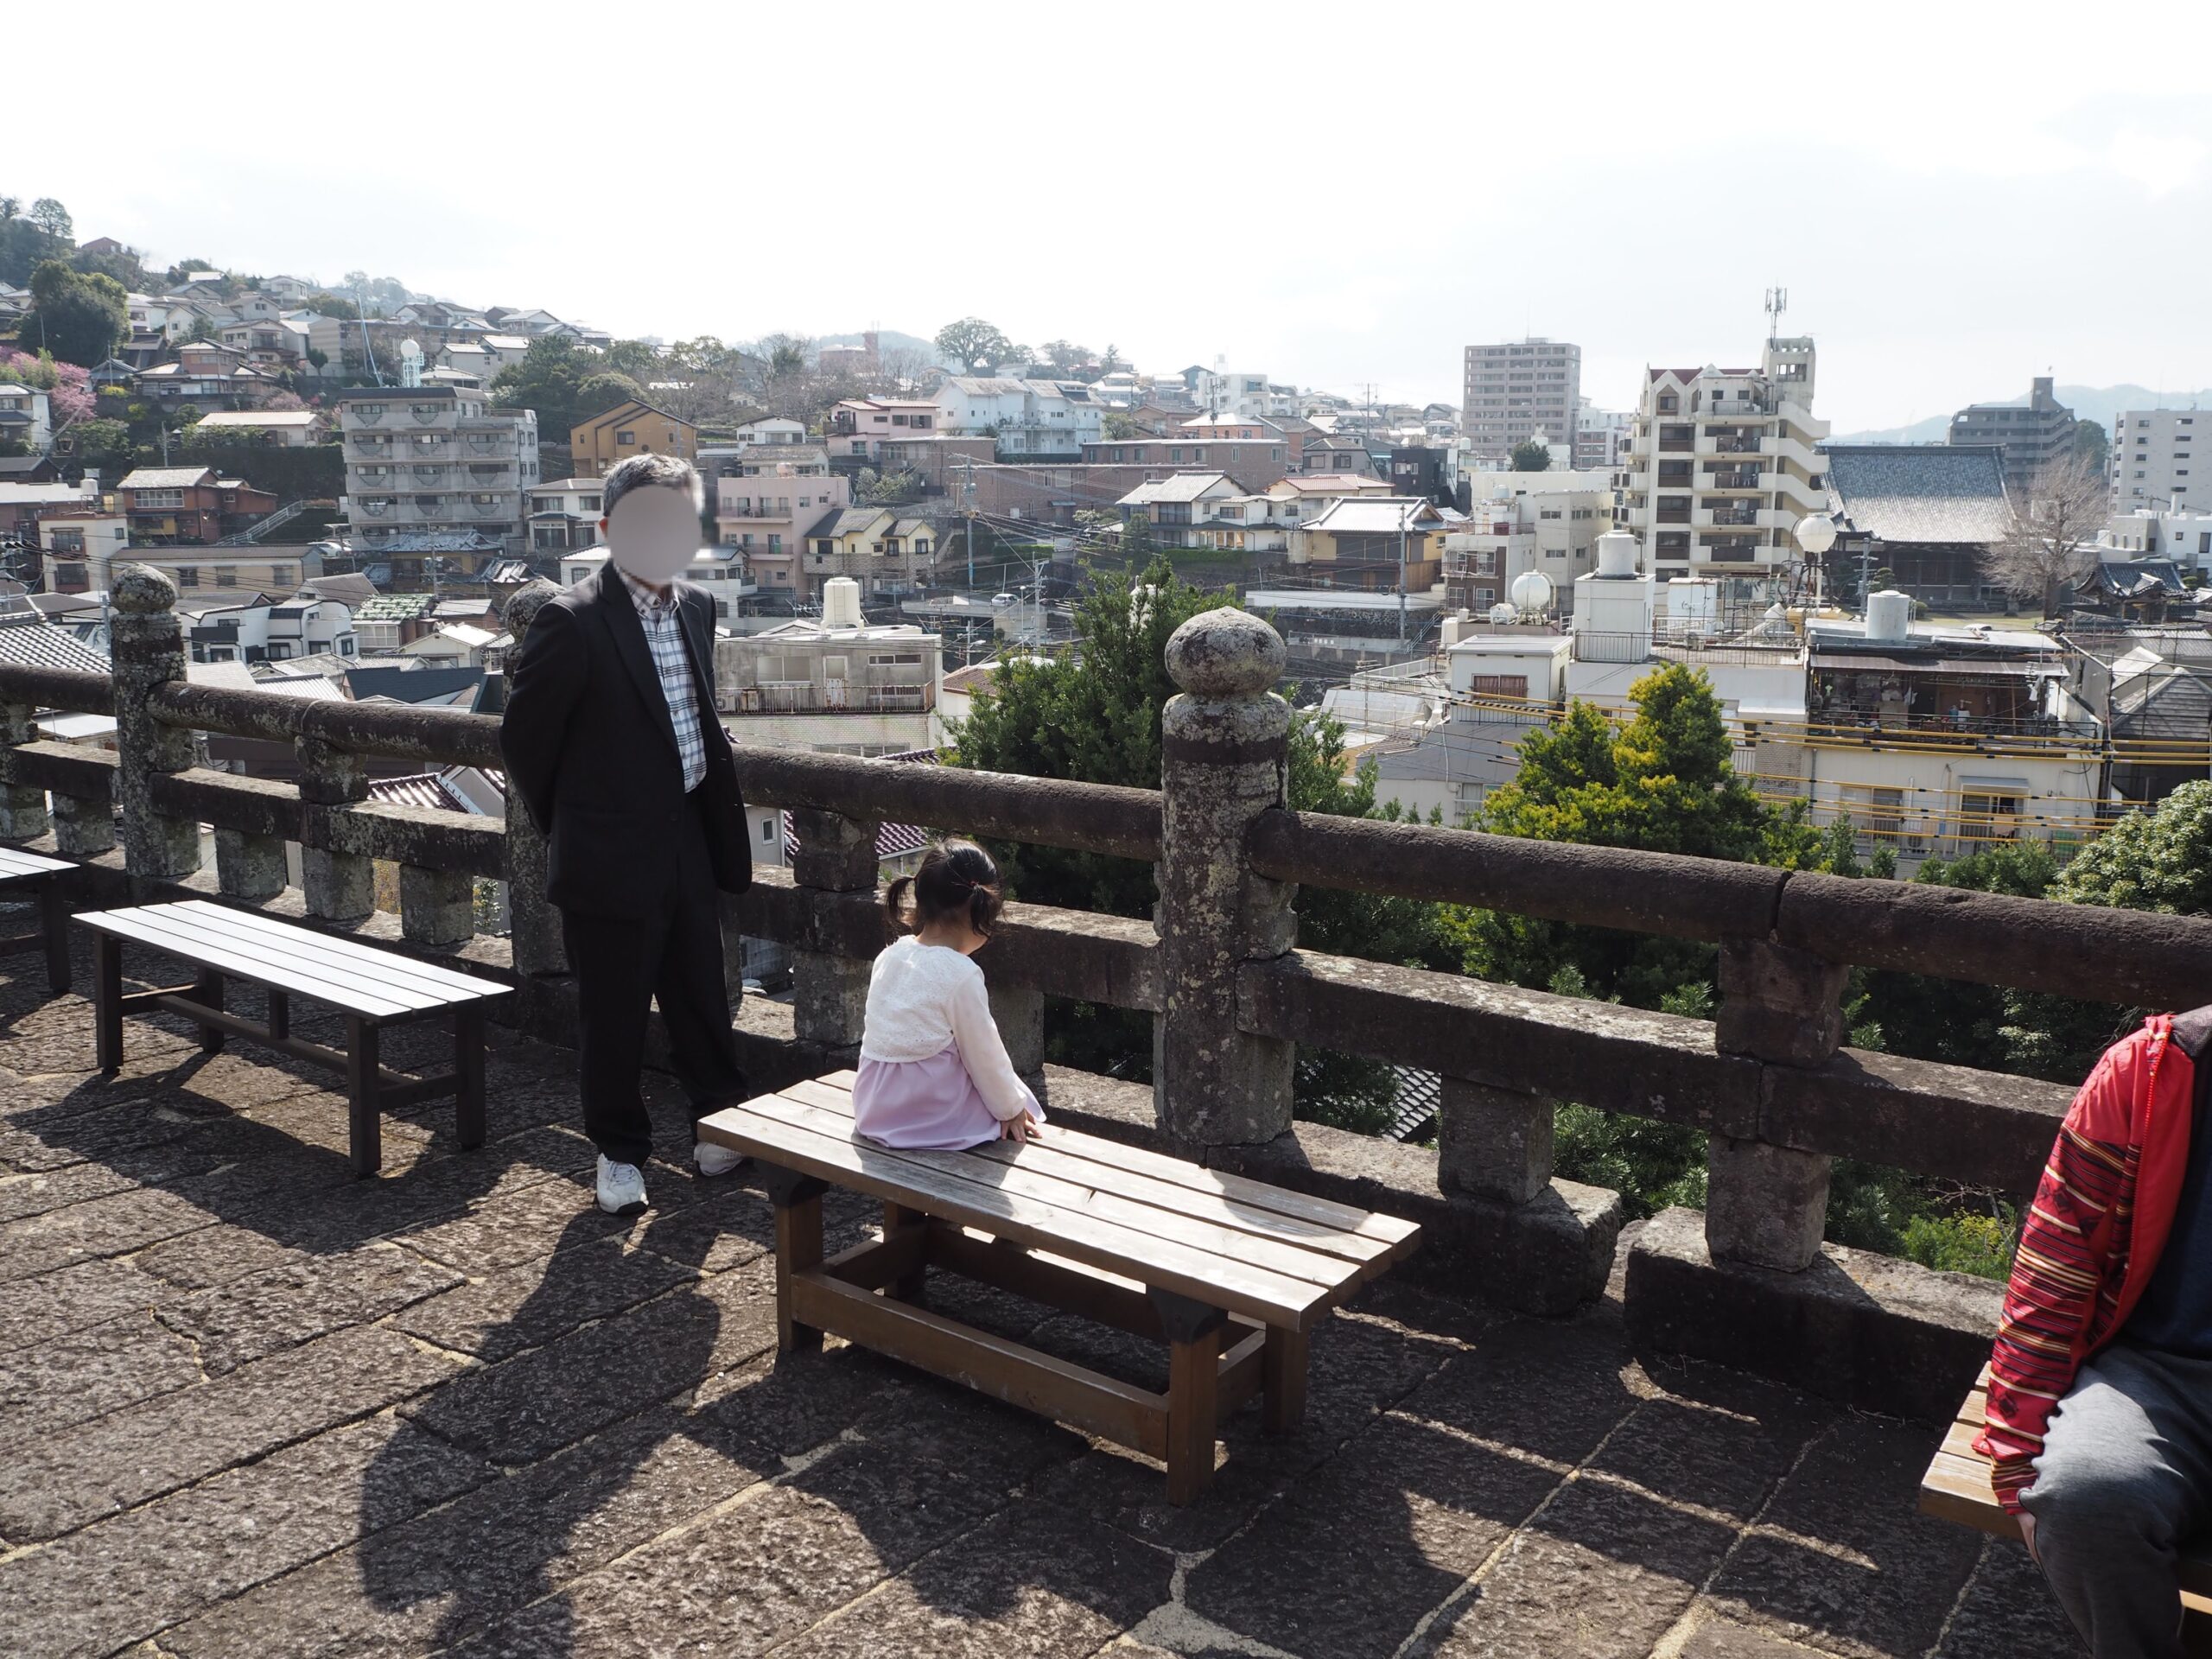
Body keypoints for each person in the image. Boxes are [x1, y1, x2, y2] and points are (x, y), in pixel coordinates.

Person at [499, 453, 752, 1216]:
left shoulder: (699, 607)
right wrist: (573, 824)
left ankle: (716, 1123)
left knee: (700, 992)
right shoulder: (571, 620)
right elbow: (523, 741)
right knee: (611, 1010)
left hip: (687, 832)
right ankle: (618, 1153)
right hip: (608, 847)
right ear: (608, 528)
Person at [1980, 1006, 2212, 1659]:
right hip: (2155, 1374)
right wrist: (2016, 1457)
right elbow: (2056, 1264)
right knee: (2085, 1495)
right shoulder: (2152, 1071)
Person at [854, 840, 1041, 1150]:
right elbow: (984, 1054)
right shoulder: (960, 973)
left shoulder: (890, 955)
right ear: (982, 915)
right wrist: (1010, 1109)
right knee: (1012, 1103)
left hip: (875, 1108)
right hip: (926, 1115)